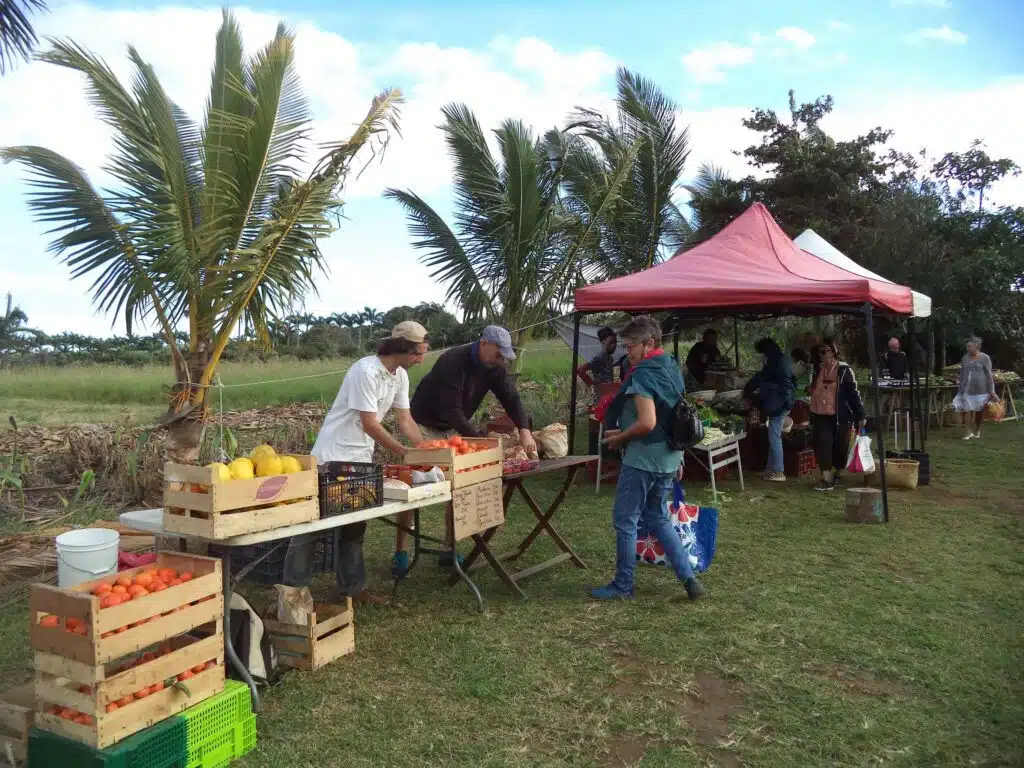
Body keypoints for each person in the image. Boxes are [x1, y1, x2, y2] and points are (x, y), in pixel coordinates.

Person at [305, 321, 429, 605]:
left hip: (359, 457)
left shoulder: (399, 376)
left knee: (355, 524)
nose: (421, 359)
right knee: (312, 527)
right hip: (332, 456)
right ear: (401, 347)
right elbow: (370, 424)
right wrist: (402, 452)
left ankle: (352, 589)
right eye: (418, 353)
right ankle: (293, 591)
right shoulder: (365, 371)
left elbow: (405, 420)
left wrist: (425, 450)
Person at [591, 315, 706, 602]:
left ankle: (623, 586)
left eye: (630, 346)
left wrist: (620, 437)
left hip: (644, 459)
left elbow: (648, 422)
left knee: (625, 520)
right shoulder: (670, 366)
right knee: (657, 517)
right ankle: (689, 580)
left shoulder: (643, 374)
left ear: (649, 343)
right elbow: (671, 413)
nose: (626, 351)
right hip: (668, 457)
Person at [407, 325, 537, 568]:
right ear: (484, 344)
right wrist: (480, 441)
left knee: (458, 483)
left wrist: (524, 430)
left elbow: (511, 397)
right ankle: (402, 552)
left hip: (454, 422)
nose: (501, 359)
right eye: (499, 353)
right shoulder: (452, 361)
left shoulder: (494, 367)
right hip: (424, 422)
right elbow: (451, 409)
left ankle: (448, 548)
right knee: (415, 485)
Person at [808, 339, 865, 492]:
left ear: (833, 352)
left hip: (841, 416)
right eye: (819, 352)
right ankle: (826, 479)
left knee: (840, 447)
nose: (821, 355)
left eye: (824, 351)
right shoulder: (818, 370)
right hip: (821, 415)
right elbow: (814, 389)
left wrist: (860, 415)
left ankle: (838, 474)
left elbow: (853, 394)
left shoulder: (844, 370)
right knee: (823, 444)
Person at [744, 338, 796, 482]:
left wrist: (749, 390)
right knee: (773, 435)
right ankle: (770, 469)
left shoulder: (776, 363)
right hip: (783, 401)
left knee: (774, 437)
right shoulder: (781, 359)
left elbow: (763, 378)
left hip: (779, 403)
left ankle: (779, 472)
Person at [953, 337, 997, 440]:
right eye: (967, 346)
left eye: (969, 346)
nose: (968, 348)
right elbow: (962, 373)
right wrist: (960, 386)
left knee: (979, 412)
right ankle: (967, 432)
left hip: (981, 389)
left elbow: (989, 375)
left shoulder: (985, 358)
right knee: (967, 409)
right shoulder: (965, 358)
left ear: (976, 346)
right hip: (967, 389)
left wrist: (992, 391)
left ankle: (977, 429)